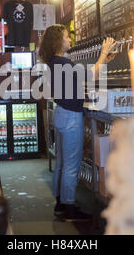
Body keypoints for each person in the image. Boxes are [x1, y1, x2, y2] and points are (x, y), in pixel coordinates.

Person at [39, 24, 116, 222]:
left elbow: (80, 81)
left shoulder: (55, 62)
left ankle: (60, 205)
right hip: (71, 117)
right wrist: (103, 53)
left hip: (61, 114)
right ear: (58, 41)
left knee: (61, 164)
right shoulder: (63, 62)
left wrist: (103, 60)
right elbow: (92, 77)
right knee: (71, 165)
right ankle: (70, 209)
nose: (70, 40)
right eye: (66, 37)